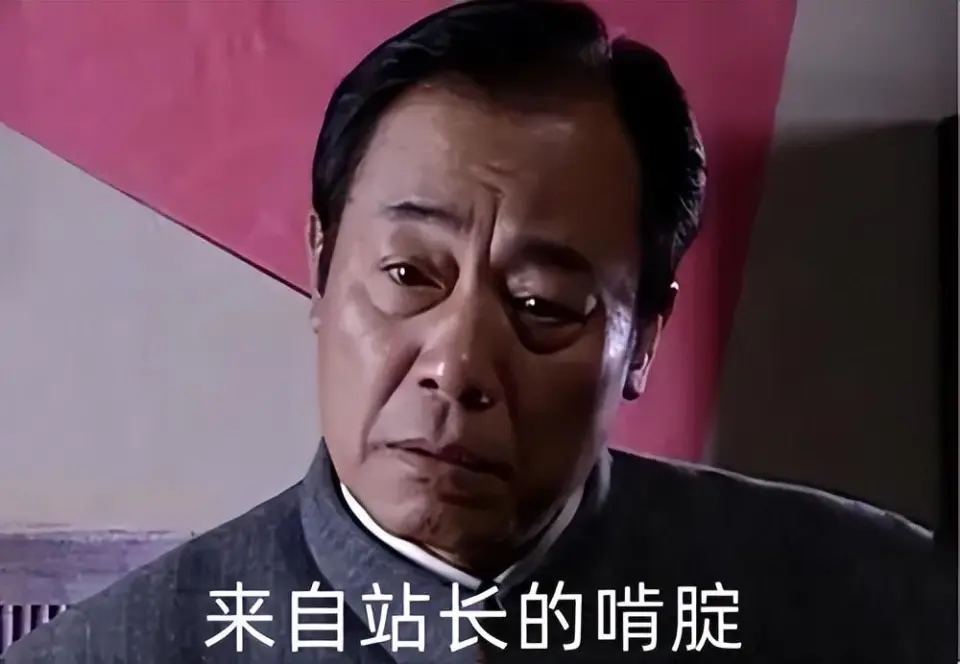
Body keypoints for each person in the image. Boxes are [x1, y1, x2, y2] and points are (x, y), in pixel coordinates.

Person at [6, 1, 951, 662]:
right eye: (409, 276)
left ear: (644, 338)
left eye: (541, 305)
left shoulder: (878, 603)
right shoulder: (109, 652)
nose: (457, 365)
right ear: (321, 266)